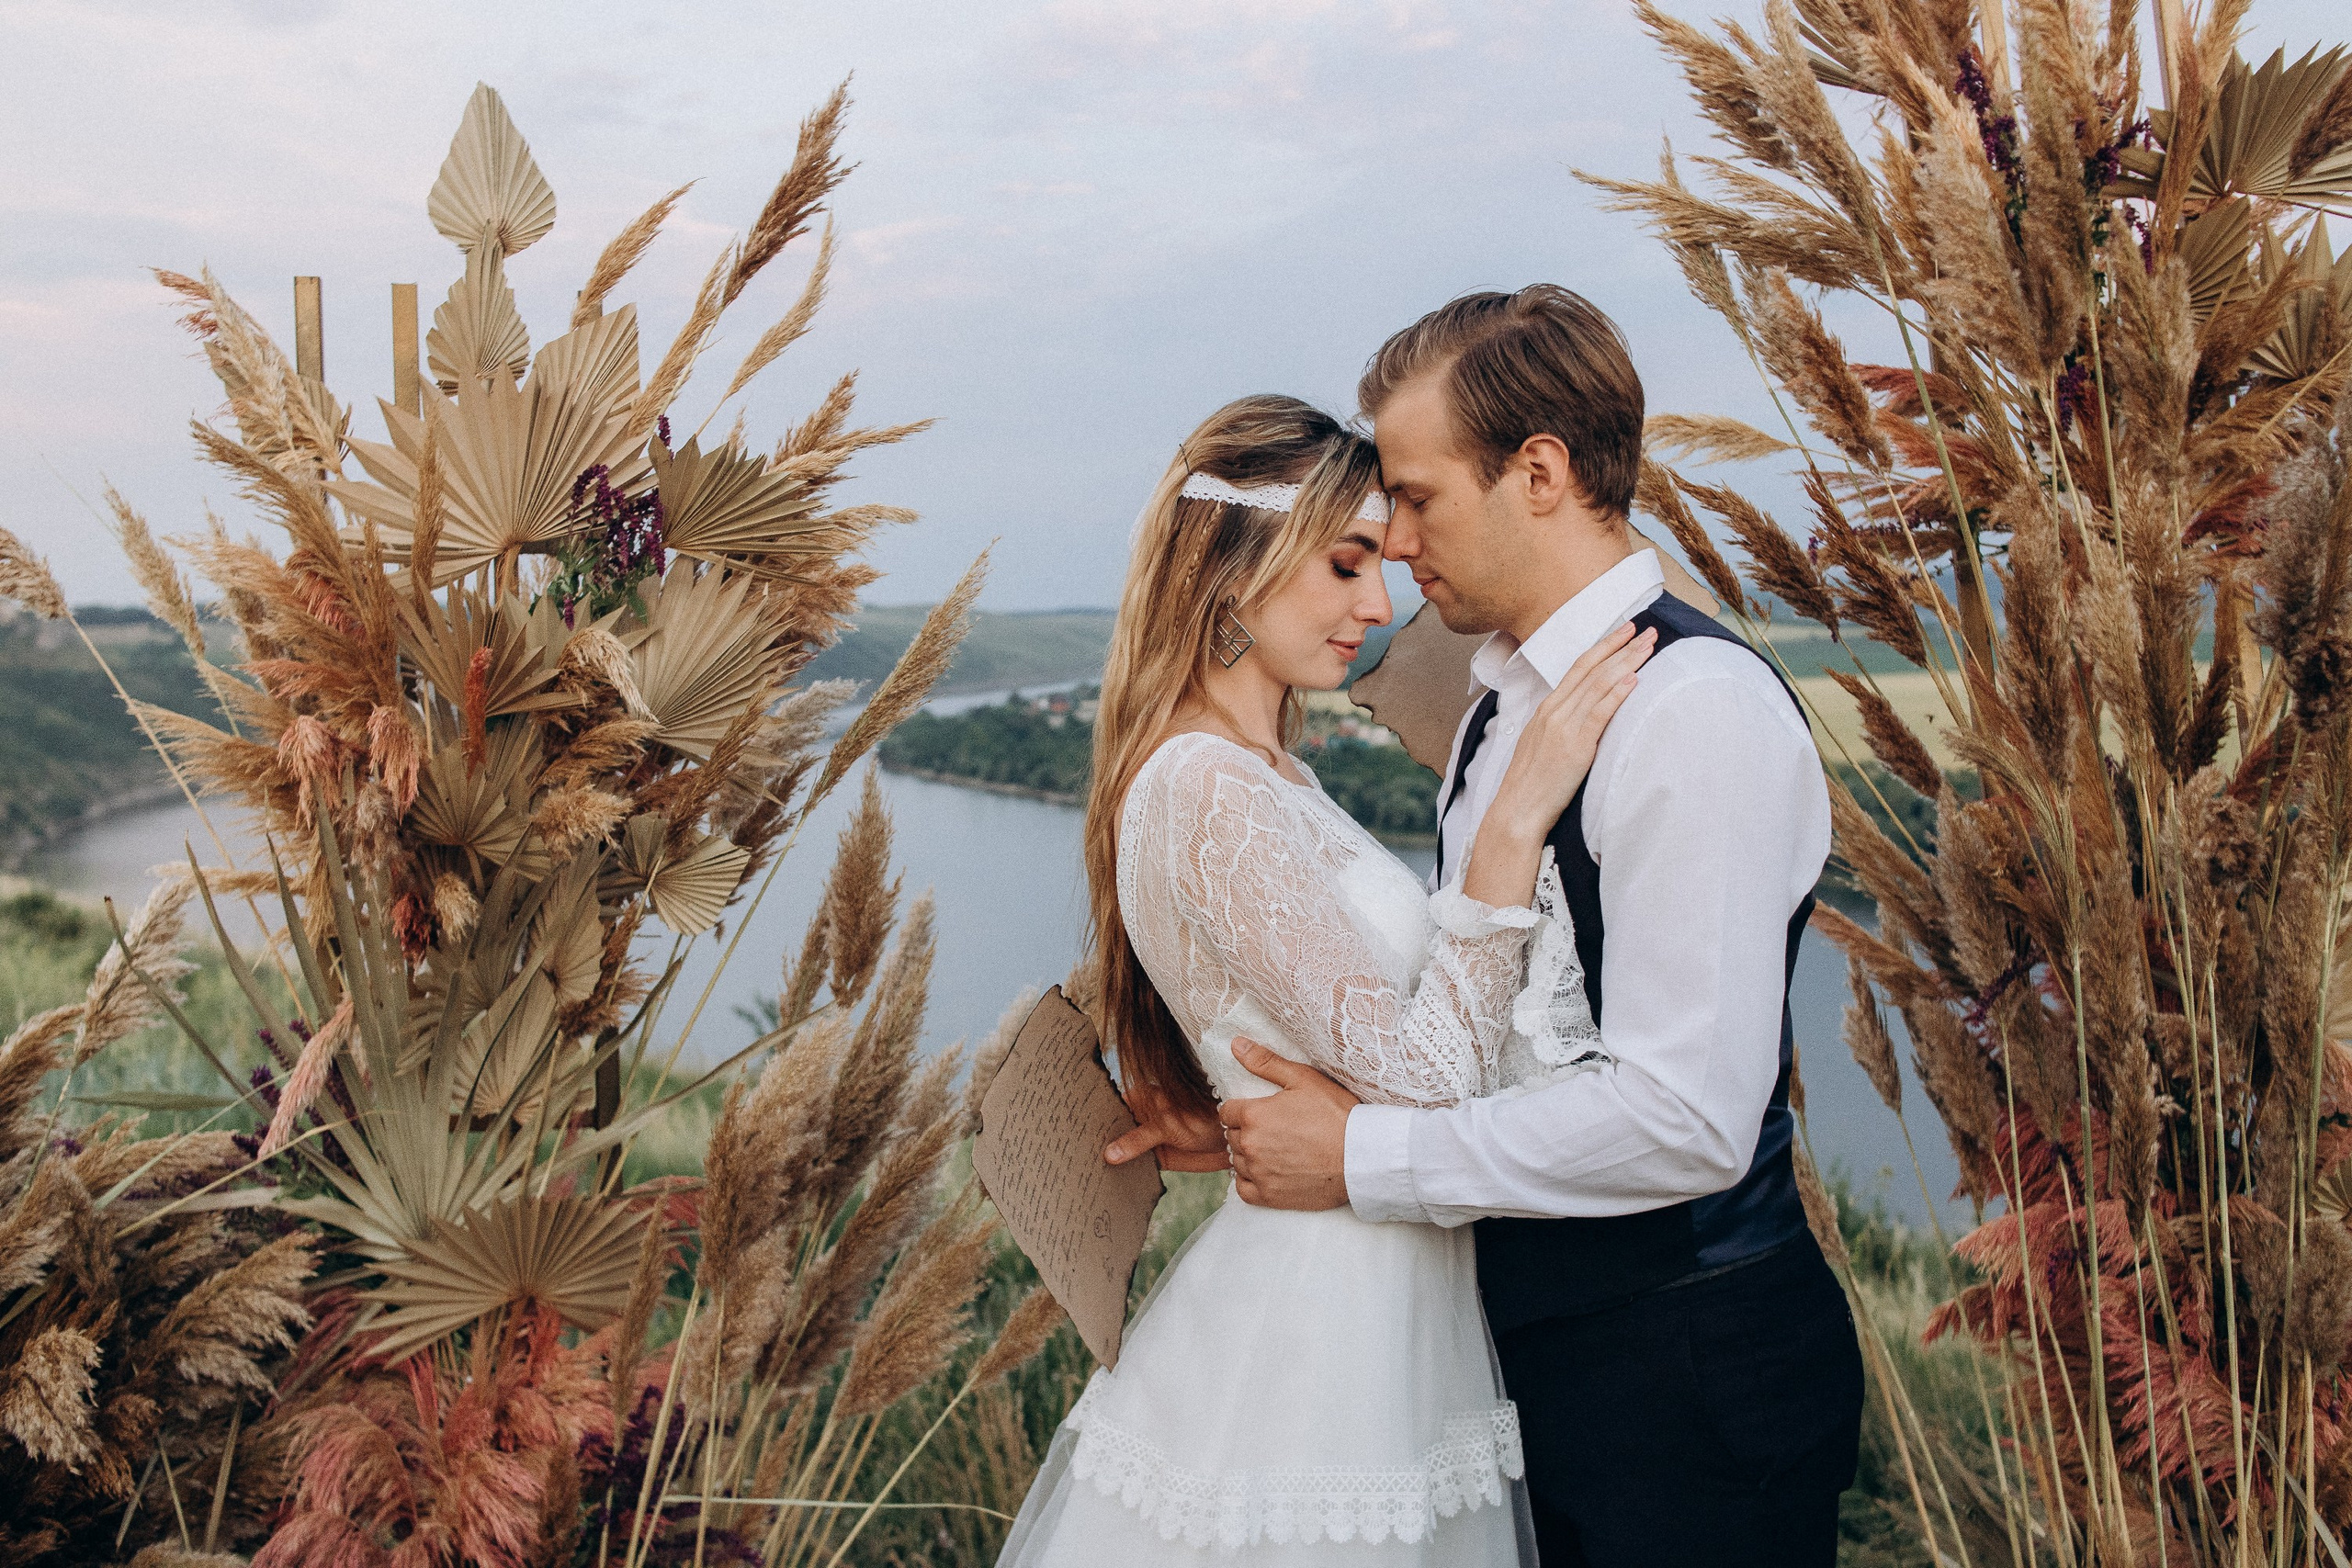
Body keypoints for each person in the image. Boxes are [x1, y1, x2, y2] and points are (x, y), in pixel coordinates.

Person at [1110, 290, 1866, 1567]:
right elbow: (1470, 1011)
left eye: (1415, 496)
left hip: (1680, 1382)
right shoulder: (1497, 708)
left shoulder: (1691, 712)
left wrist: (1359, 1158)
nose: (1397, 543)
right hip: (1506, 1360)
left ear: (1540, 472)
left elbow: (1685, 1116)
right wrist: (1243, 1099)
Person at [997, 393, 1653, 1566]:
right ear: (1229, 569)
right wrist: (1514, 823)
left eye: (1382, 563)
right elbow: (1429, 1084)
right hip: (1320, 1337)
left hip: (1386, 1298)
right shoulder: (1206, 788)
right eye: (1344, 563)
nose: (1377, 603)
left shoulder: (1271, 779)